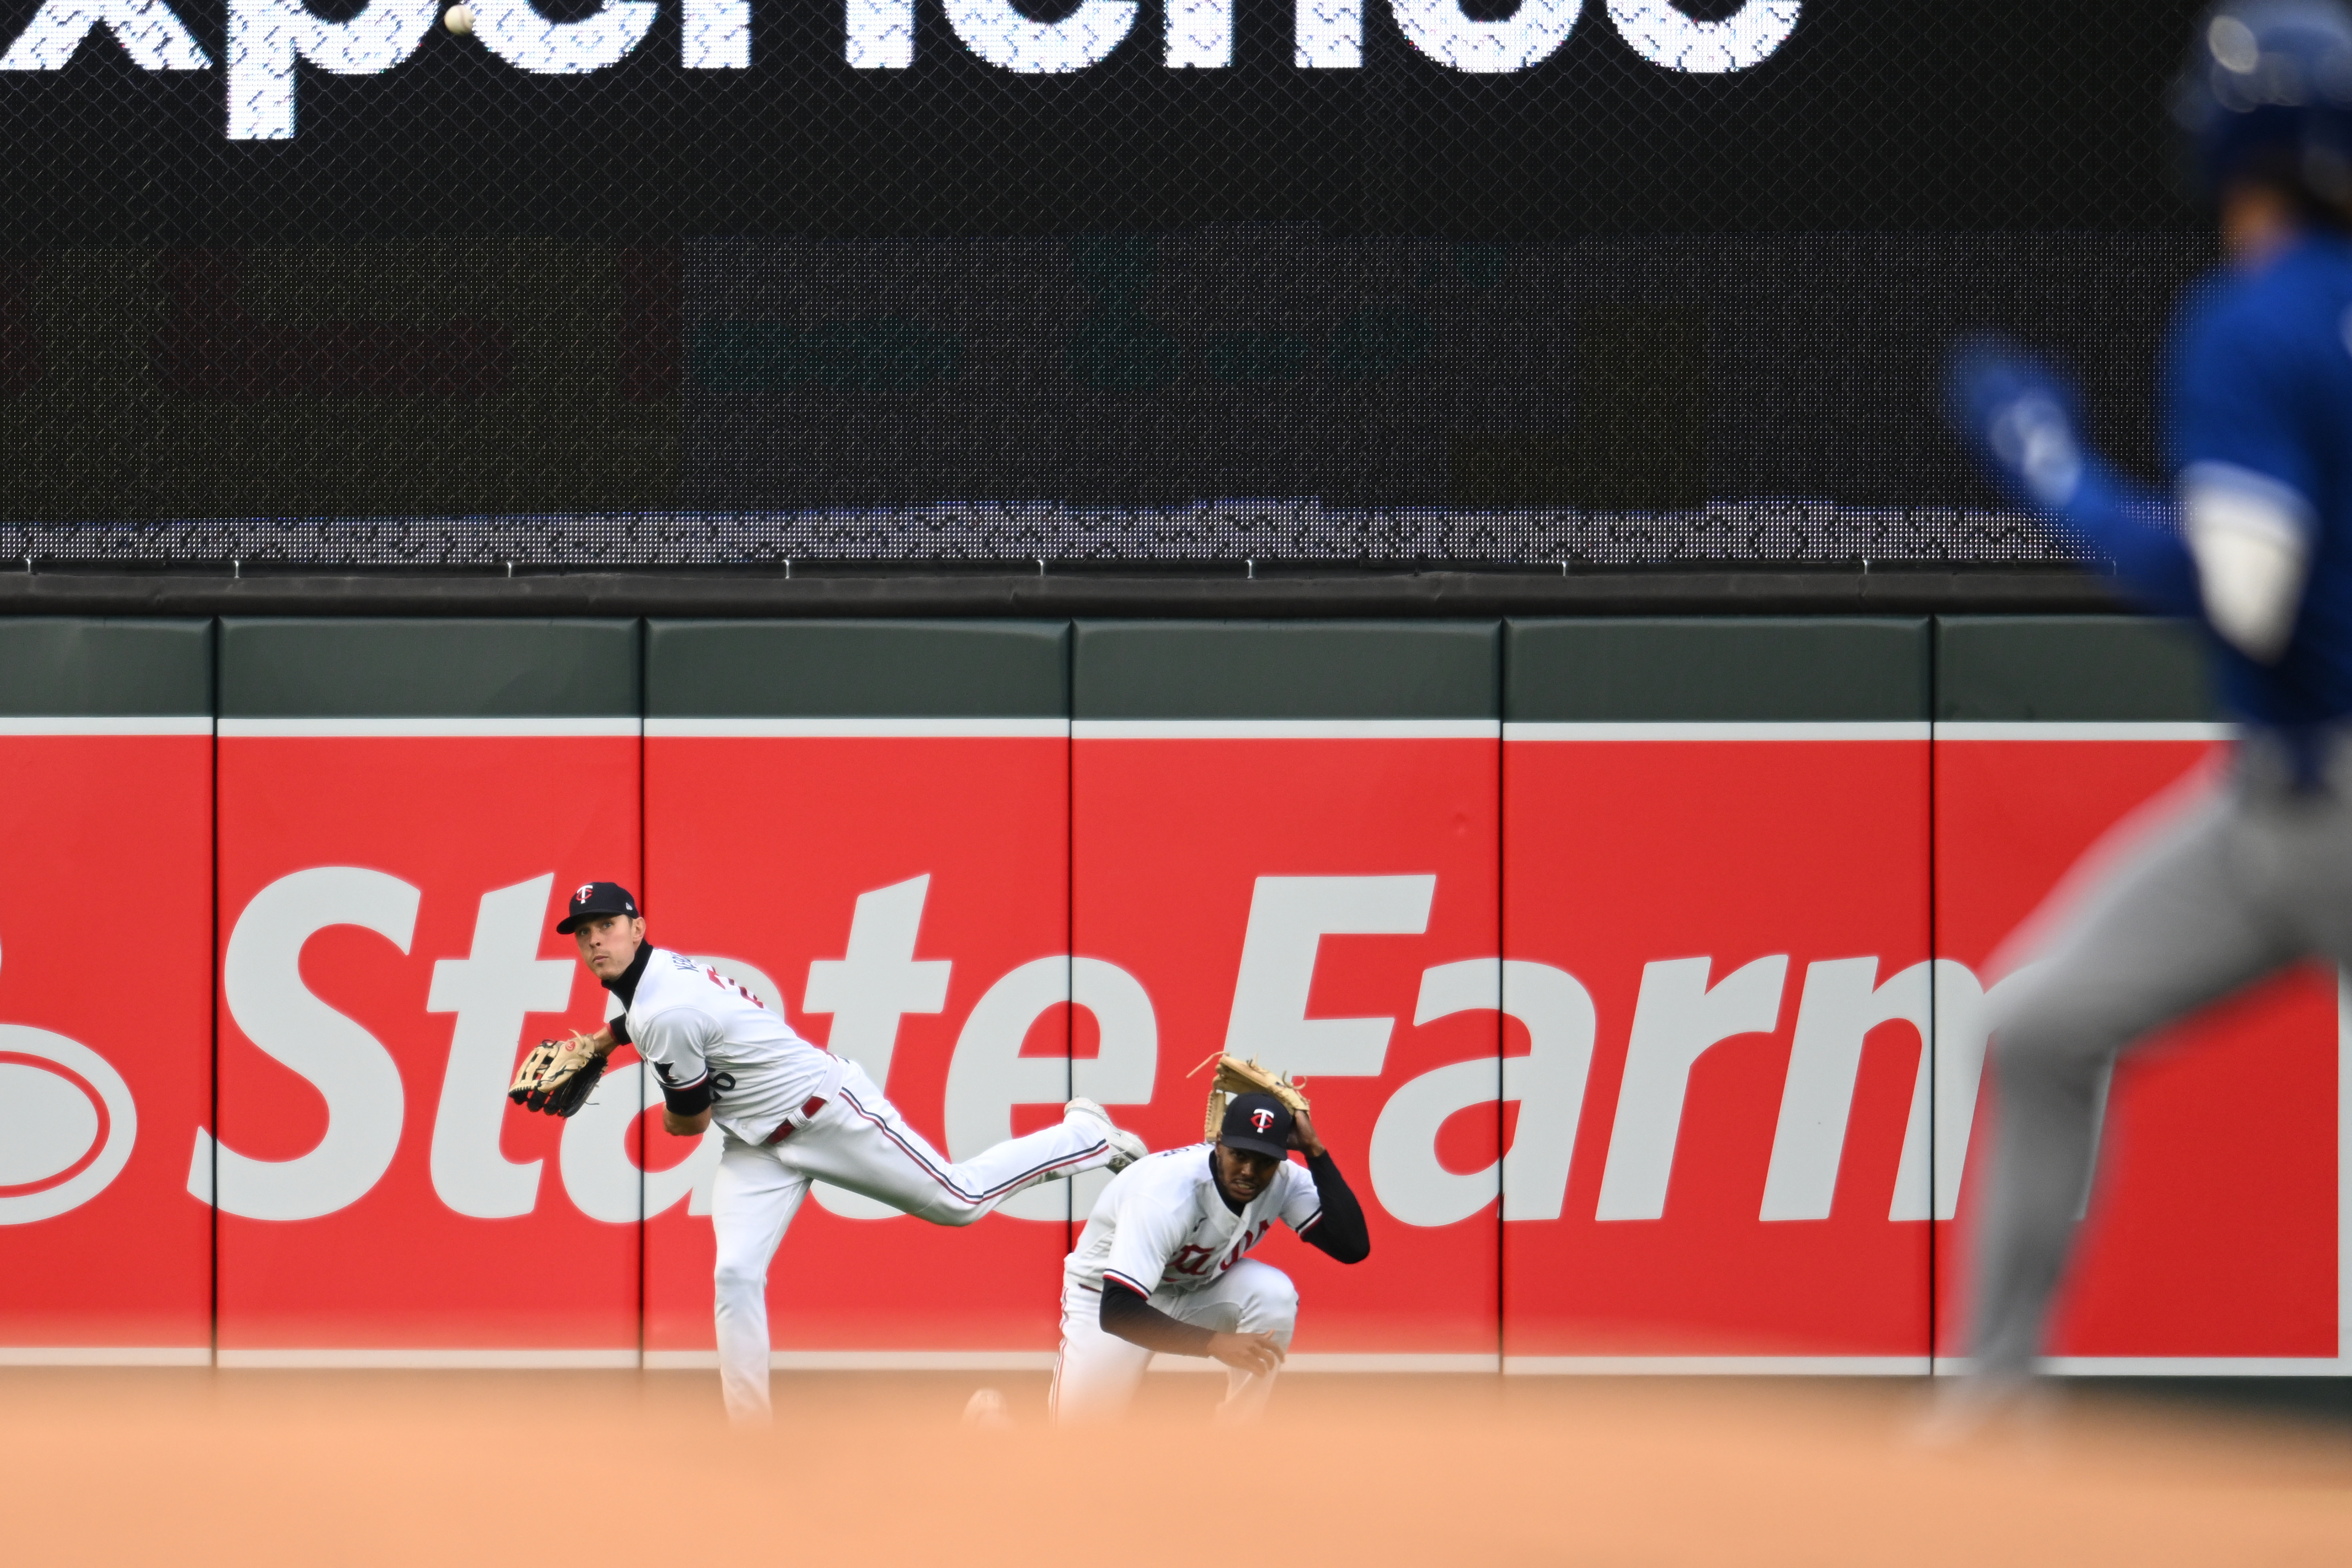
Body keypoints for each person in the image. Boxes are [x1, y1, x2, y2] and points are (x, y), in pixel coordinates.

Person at [1947, 0, 2352, 1400]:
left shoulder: (2256, 319)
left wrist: (2051, 468)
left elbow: (2243, 590)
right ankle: (1989, 1418)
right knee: (2034, 1024)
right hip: (2274, 808)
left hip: (2330, 795)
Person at [551, 881, 1147, 1422]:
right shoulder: (658, 980)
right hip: (756, 1145)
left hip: (828, 1113)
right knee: (734, 1273)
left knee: (958, 1199)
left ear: (638, 925)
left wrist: (657, 1108)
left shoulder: (666, 1008)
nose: (596, 940)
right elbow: (645, 1019)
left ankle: (1085, 1135)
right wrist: (605, 1040)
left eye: (607, 925)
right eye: (584, 933)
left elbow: (689, 1120)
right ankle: (750, 1436)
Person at [1049, 1090, 1370, 1424]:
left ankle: (1235, 1443)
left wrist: (1315, 1151)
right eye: (1239, 1154)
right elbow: (1117, 1311)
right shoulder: (1164, 1194)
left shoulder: (1283, 1179)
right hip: (1106, 1297)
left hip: (1197, 1287)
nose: (1249, 1170)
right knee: (1078, 1440)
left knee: (1273, 1295)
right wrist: (1213, 1342)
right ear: (1218, 1144)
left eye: (1264, 1160)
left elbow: (1351, 1246)